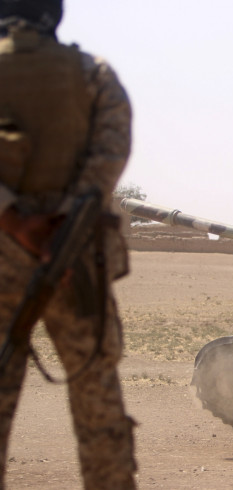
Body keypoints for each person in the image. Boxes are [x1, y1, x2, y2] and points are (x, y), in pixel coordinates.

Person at [0, 1, 136, 488]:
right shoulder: (92, 75)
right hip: (75, 256)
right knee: (97, 402)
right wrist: (65, 221)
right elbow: (111, 152)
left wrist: (15, 219)